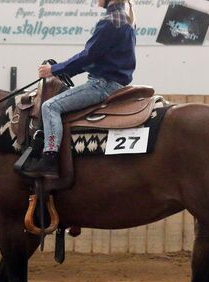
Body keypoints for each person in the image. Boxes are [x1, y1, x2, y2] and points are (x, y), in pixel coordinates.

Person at [24, 0, 137, 178]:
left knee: (50, 107)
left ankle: (49, 160)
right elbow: (94, 59)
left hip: (101, 85)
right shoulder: (126, 19)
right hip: (117, 84)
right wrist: (61, 71)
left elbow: (88, 55)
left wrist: (54, 69)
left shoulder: (109, 21)